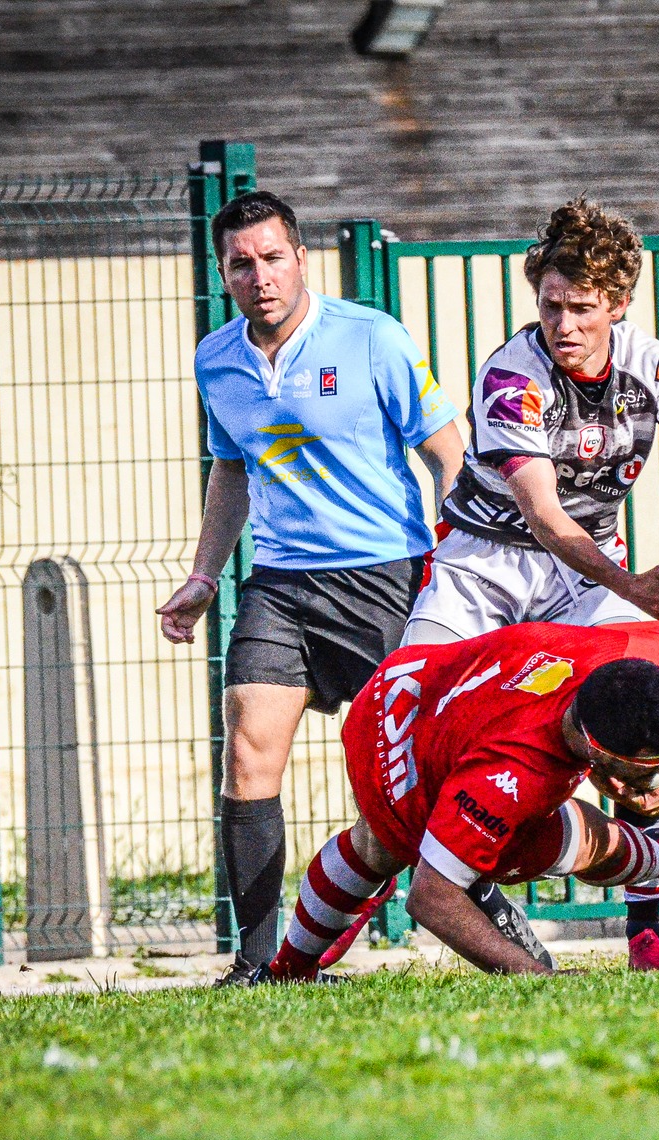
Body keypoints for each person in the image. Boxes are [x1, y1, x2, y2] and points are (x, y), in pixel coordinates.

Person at [155, 190, 468, 987]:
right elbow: (233, 469)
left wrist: (464, 560)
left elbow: (448, 453)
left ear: (301, 258)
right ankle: (260, 963)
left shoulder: (372, 339)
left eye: (272, 257)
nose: (258, 275)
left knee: (411, 778)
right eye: (240, 263)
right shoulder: (216, 359)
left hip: (382, 580)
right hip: (280, 585)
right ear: (223, 272)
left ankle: (478, 914)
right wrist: (203, 574)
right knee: (248, 752)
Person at [403, 199, 659, 971]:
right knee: (413, 725)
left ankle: (646, 924)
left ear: (620, 304)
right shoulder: (514, 375)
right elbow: (543, 517)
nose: (564, 324)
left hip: (586, 571)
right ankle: (476, 886)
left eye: (583, 308)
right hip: (484, 565)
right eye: (551, 304)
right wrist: (631, 588)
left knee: (645, 704)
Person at [257, 620, 659, 979]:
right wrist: (538, 979)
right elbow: (430, 900)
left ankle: (286, 972)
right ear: (597, 754)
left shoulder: (634, 658)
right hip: (397, 756)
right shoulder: (513, 774)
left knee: (376, 848)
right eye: (650, 768)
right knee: (575, 844)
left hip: (408, 678)